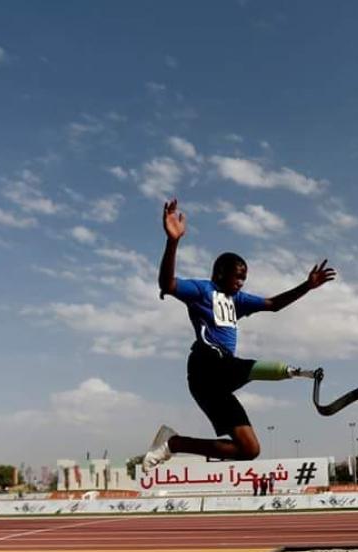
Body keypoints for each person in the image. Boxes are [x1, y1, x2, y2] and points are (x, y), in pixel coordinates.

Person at [138, 199, 336, 473]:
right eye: (237, 277)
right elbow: (167, 284)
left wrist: (307, 286)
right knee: (229, 361)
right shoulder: (202, 290)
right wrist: (173, 242)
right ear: (220, 273)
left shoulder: (238, 300)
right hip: (205, 367)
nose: (241, 282)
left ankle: (174, 443)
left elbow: (273, 304)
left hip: (217, 385)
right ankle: (293, 371)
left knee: (249, 449)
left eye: (244, 278)